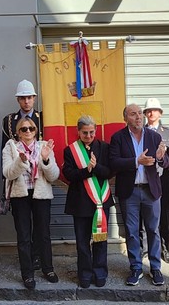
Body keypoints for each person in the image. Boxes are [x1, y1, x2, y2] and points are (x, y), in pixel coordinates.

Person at [109, 103, 168, 286]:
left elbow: (165, 162)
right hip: (130, 192)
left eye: (140, 113)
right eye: (133, 114)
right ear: (125, 118)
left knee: (153, 230)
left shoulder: (154, 136)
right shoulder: (118, 137)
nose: (138, 117)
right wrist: (136, 161)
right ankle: (135, 267)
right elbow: (114, 162)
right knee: (132, 232)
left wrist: (159, 157)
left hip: (151, 191)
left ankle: (155, 267)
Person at [2, 117, 59, 289]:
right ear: (18, 133)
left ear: (36, 130)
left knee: (43, 234)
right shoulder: (10, 147)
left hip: (41, 194)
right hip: (21, 196)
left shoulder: (44, 147)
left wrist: (46, 160)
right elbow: (7, 173)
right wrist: (20, 161)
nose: (28, 132)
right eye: (24, 129)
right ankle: (27, 274)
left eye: (31, 128)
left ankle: (48, 269)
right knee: (24, 237)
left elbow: (54, 176)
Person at [62, 115, 114, 288]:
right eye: (85, 133)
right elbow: (69, 175)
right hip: (80, 203)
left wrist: (97, 167)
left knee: (100, 240)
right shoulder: (70, 150)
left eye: (92, 132)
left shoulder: (105, 148)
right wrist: (87, 169)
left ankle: (100, 273)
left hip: (100, 202)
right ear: (78, 132)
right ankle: (84, 274)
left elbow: (109, 172)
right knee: (82, 242)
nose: (89, 136)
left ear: (96, 130)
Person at [2, 79, 43, 270]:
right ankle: (25, 260)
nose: (26, 101)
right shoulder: (8, 121)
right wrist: (6, 186)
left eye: (29, 97)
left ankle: (36, 257)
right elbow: (5, 151)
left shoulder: (43, 117)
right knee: (22, 225)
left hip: (39, 181)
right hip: (18, 180)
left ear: (34, 98)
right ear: (18, 100)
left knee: (40, 224)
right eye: (22, 98)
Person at [140, 98, 169, 264]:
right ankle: (146, 248)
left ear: (160, 113)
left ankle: (165, 248)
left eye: (154, 110)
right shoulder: (139, 131)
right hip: (145, 179)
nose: (151, 113)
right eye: (148, 110)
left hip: (163, 180)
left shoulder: (167, 132)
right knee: (144, 216)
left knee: (164, 217)